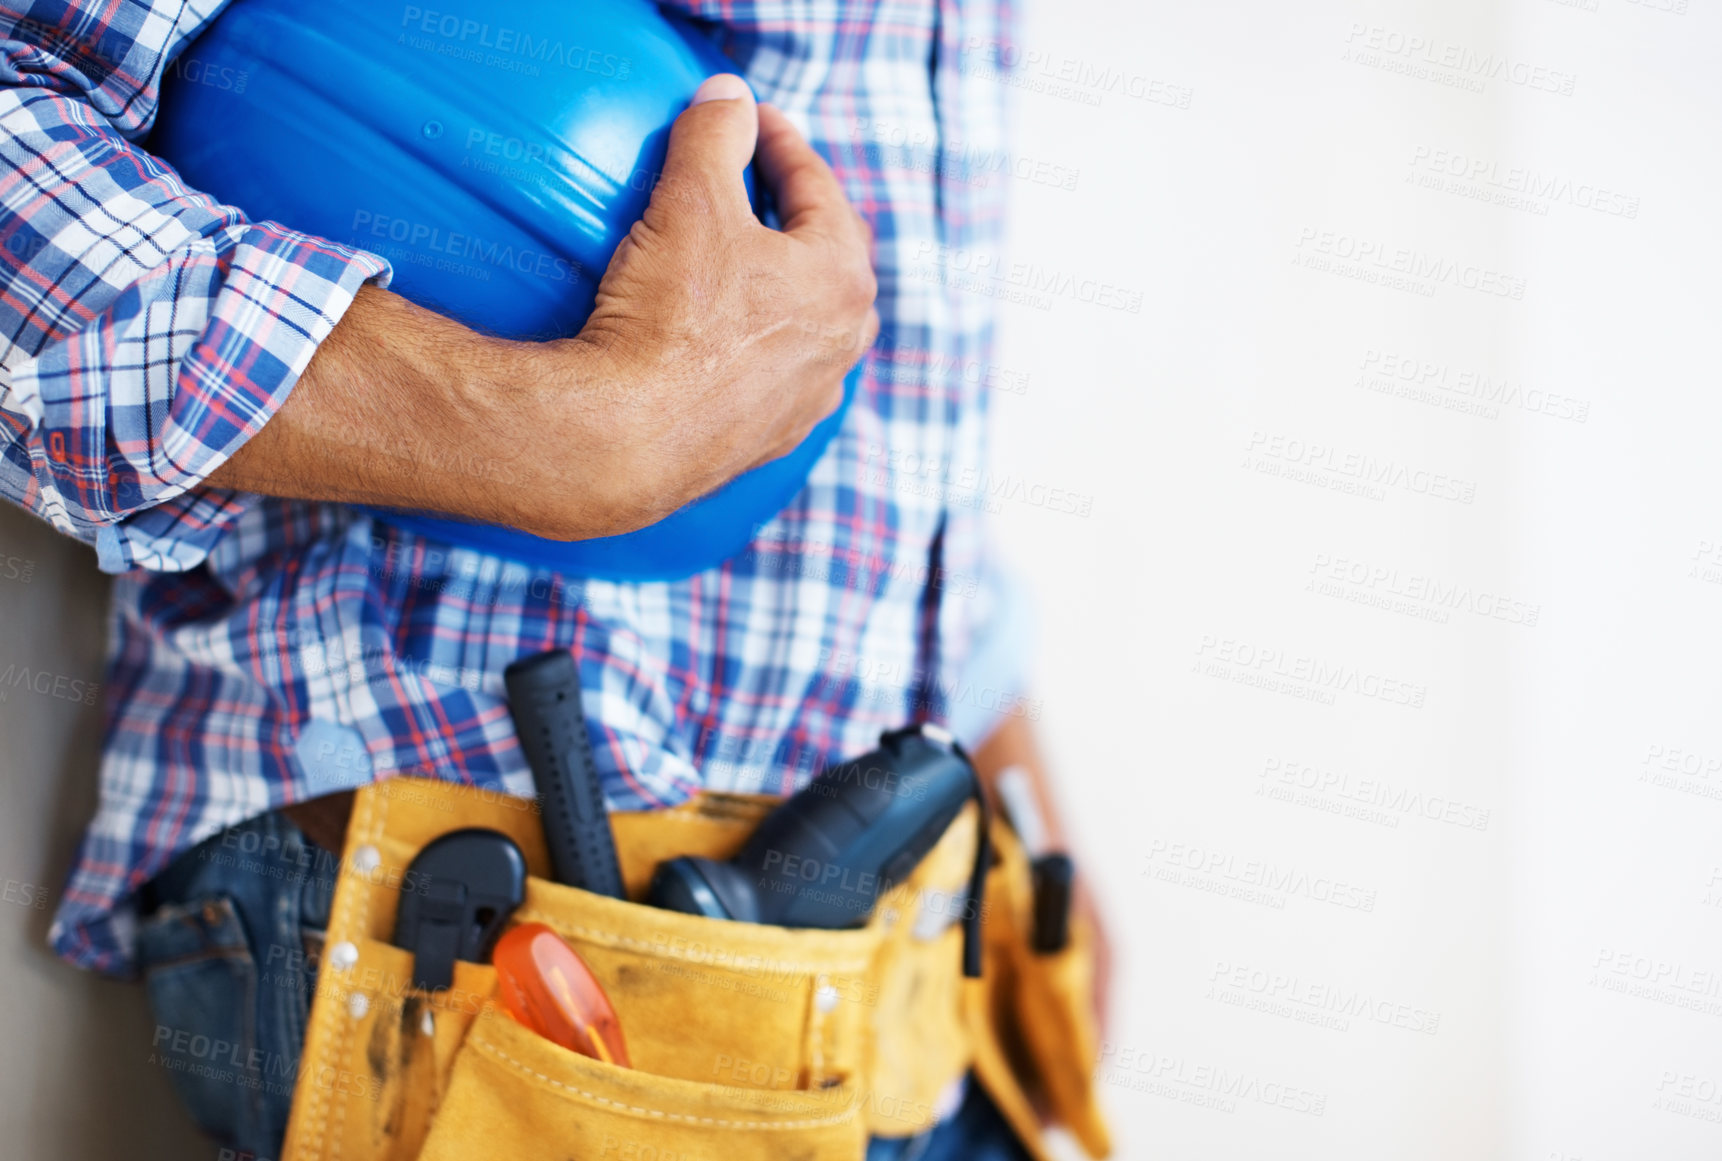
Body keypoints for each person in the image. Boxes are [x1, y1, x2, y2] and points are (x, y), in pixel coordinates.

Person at [0, 3, 1107, 1158]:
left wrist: (993, 754)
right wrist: (528, 430)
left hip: (909, 978)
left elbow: (882, 351)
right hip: (480, 945)